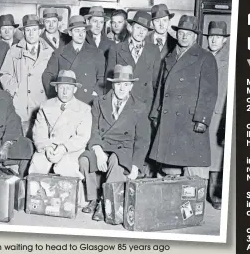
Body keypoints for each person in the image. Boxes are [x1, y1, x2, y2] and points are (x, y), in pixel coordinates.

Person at [149, 15, 218, 180]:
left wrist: (202, 119)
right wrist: (155, 113)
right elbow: (161, 88)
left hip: (190, 119)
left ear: (195, 36)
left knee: (192, 168)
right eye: (181, 32)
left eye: (189, 32)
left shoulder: (205, 57)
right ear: (177, 33)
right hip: (169, 117)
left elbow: (209, 92)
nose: (184, 36)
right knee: (169, 167)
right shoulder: (170, 57)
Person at [79, 65, 150, 221]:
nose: (122, 88)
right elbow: (94, 130)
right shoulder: (99, 102)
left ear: (131, 86)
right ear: (112, 84)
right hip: (102, 145)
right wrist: (98, 151)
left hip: (124, 149)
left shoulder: (139, 106)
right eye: (118, 84)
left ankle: (105, 202)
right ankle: (93, 198)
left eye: (126, 84)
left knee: (115, 161)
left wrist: (136, 166)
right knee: (85, 160)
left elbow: (143, 139)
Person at [28, 70, 92, 178]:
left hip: (71, 150)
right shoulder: (45, 106)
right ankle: (35, 194)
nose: (65, 92)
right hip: (48, 147)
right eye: (62, 87)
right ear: (56, 88)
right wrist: (47, 148)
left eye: (69, 88)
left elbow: (82, 137)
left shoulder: (84, 109)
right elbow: (39, 132)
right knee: (37, 166)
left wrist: (63, 148)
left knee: (67, 170)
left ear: (75, 89)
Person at [0, 14, 54, 137]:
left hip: (41, 101)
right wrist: (14, 91)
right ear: (23, 32)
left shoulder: (50, 52)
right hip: (20, 103)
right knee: (19, 137)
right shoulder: (14, 50)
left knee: (39, 135)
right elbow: (5, 74)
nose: (31, 33)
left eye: (34, 30)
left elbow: (53, 77)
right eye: (28, 30)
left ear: (40, 31)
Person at [42, 15, 106, 105]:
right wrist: (56, 96)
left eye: (83, 31)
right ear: (70, 33)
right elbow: (47, 75)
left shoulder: (97, 53)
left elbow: (102, 77)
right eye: (77, 31)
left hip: (88, 101)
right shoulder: (59, 53)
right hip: (65, 101)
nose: (81, 34)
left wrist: (95, 94)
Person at [110, 11, 160, 110]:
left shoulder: (154, 50)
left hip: (145, 104)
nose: (141, 32)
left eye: (144, 29)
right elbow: (109, 81)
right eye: (138, 28)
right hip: (122, 103)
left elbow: (156, 82)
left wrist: (154, 110)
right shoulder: (116, 48)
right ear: (130, 28)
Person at [205, 21, 230, 210]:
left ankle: (214, 195)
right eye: (211, 36)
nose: (214, 40)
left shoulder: (230, 61)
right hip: (201, 113)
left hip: (218, 114)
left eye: (218, 37)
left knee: (215, 157)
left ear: (224, 40)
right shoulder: (201, 56)